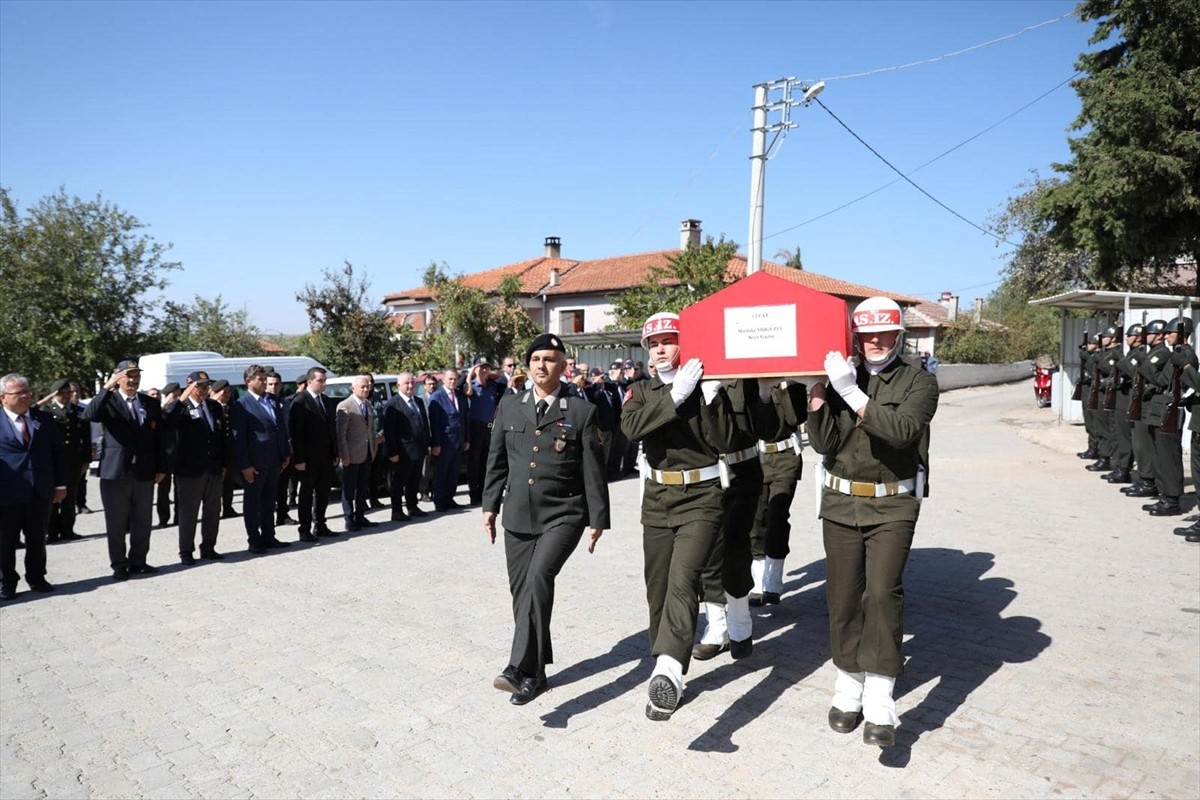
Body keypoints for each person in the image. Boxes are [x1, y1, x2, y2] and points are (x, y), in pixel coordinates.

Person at [807, 297, 939, 748]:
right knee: (843, 596)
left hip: (892, 504)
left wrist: (851, 393)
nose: (875, 341)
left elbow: (902, 431)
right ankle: (848, 685)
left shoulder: (920, 382)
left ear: (899, 335)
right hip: (842, 504)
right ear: (856, 337)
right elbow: (823, 442)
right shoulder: (845, 373)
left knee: (881, 593)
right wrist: (819, 394)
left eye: (884, 333)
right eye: (866, 335)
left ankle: (881, 698)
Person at [621, 312, 736, 721]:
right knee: (657, 586)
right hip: (656, 498)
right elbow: (632, 428)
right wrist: (677, 395)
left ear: (684, 344)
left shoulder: (706, 388)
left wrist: (709, 397)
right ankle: (662, 663)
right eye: (654, 344)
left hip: (702, 496)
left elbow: (726, 440)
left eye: (668, 341)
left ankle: (670, 670)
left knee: (684, 579)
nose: (661, 349)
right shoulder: (640, 390)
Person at [484, 333, 610, 705]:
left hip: (564, 514)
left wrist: (597, 518)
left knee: (539, 579)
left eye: (550, 359)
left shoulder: (580, 411)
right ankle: (536, 676)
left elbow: (593, 469)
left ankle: (517, 668)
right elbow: (496, 461)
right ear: (528, 364)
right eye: (536, 358)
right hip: (518, 516)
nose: (542, 365)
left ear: (563, 366)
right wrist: (489, 506)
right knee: (524, 594)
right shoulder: (509, 406)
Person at [694, 376, 778, 662]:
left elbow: (768, 428)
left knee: (735, 547)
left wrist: (767, 392)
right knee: (707, 552)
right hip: (702, 474)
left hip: (741, 471)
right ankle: (717, 628)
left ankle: (740, 623)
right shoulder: (689, 375)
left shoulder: (745, 375)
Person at [85, 359, 169, 580]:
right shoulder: (108, 401)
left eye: (136, 376)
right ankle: (119, 564)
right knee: (116, 521)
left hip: (143, 470)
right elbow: (90, 415)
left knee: (143, 519)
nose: (133, 380)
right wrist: (107, 386)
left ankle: (139, 560)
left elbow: (158, 438)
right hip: (116, 471)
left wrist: (161, 466)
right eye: (128, 376)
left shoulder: (148, 402)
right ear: (118, 378)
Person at [1, 373, 66, 600]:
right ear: (3, 398)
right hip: (6, 494)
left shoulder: (44, 419)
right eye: (19, 393)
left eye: (27, 392)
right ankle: (7, 582)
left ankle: (37, 577)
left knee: (37, 539)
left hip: (39, 491)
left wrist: (60, 485)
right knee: (5, 542)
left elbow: (57, 453)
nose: (25, 396)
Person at [749, 380, 808, 605]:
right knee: (756, 519)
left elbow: (795, 418)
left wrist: (786, 385)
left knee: (777, 514)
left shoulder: (793, 384)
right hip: (756, 457)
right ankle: (757, 581)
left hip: (785, 458)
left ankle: (772, 582)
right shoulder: (750, 384)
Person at [164, 371, 231, 563]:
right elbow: (167, 422)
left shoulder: (213, 406)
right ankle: (186, 551)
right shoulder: (180, 408)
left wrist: (224, 463)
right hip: (189, 471)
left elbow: (221, 438)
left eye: (206, 386)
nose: (203, 390)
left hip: (213, 469)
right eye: (199, 386)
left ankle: (208, 547)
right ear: (190, 387)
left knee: (212, 511)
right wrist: (181, 400)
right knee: (188, 513)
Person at [231, 364, 292, 553]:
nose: (264, 381)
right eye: (259, 378)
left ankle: (269, 536)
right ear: (248, 381)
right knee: (252, 503)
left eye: (264, 377)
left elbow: (280, 428)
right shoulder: (242, 405)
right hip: (255, 464)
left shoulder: (272, 400)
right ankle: (254, 540)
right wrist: (245, 465)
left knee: (269, 501)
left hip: (275, 460)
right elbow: (239, 438)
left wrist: (285, 454)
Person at [1139, 317, 1195, 517]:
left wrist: (1147, 368)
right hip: (1161, 406)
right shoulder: (1176, 354)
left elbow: (1170, 382)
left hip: (1171, 407)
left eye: (1170, 333)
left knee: (1169, 456)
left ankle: (1172, 499)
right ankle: (1164, 495)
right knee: (1159, 454)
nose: (1167, 336)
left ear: (1180, 334)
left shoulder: (1187, 355)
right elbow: (1163, 380)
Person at [37, 379, 90, 543]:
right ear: (55, 394)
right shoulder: (46, 411)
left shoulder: (77, 411)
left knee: (70, 497)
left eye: (69, 392)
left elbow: (85, 438)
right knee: (52, 498)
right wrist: (46, 399)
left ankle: (68, 530)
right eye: (62, 393)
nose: (67, 396)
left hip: (73, 461)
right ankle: (51, 532)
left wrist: (86, 460)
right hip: (52, 462)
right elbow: (30, 411)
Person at [290, 367, 338, 540]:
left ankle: (320, 524)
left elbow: (331, 429)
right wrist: (299, 458)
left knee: (323, 492)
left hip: (325, 456)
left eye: (324, 380)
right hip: (308, 458)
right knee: (307, 494)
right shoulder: (300, 401)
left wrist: (335, 453)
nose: (323, 384)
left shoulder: (326, 400)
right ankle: (304, 529)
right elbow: (296, 433)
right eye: (320, 380)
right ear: (309, 382)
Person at [334, 375, 380, 532]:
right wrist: (344, 455)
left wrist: (373, 449)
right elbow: (341, 434)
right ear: (353, 388)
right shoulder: (345, 405)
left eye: (368, 386)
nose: (366, 389)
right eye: (362, 387)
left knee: (362, 487)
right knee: (349, 488)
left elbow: (371, 430)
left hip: (366, 453)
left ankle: (360, 516)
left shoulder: (367, 404)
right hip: (351, 455)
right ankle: (349, 518)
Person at [383, 373, 431, 522]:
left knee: (414, 479)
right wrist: (392, 451)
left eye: (412, 383)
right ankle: (396, 511)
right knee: (399, 482)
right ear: (398, 386)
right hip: (402, 451)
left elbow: (424, 425)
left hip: (418, 448)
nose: (410, 386)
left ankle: (412, 506)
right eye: (406, 384)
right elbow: (389, 431)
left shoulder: (418, 401)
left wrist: (427, 443)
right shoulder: (393, 404)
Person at [428, 367, 469, 511]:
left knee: (454, 472)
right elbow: (435, 423)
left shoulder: (459, 395)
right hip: (444, 442)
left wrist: (466, 439)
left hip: (458, 441)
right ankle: (439, 500)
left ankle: (449, 498)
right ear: (443, 380)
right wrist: (436, 444)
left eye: (455, 379)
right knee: (442, 472)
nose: (453, 381)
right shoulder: (436, 397)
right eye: (450, 379)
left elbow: (464, 418)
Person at [467, 358, 503, 506]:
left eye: (486, 368)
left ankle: (484, 492)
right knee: (474, 463)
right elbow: (467, 391)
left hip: (489, 427)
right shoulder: (471, 385)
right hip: (475, 427)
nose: (484, 370)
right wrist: (471, 374)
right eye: (481, 368)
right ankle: (474, 494)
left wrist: (490, 372)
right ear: (475, 369)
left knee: (486, 462)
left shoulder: (492, 386)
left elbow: (501, 376)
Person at [266, 371, 298, 527]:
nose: (273, 387)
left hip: (284, 449)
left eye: (276, 384)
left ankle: (282, 514)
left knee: (283, 485)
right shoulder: (263, 403)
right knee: (268, 487)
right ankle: (266, 518)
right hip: (269, 451)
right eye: (270, 384)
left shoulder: (285, 403)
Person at [211, 380, 241, 518]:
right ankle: (215, 509)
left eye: (229, 392)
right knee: (216, 485)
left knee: (229, 482)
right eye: (224, 392)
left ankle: (228, 507)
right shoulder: (212, 408)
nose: (227, 395)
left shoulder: (231, 407)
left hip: (231, 452)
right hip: (217, 452)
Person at [155, 381, 181, 528]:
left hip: (180, 455)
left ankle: (179, 517)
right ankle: (163, 518)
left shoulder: (181, 410)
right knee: (163, 490)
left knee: (180, 490)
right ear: (167, 396)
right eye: (174, 396)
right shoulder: (160, 411)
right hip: (165, 455)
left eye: (178, 395)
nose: (176, 398)